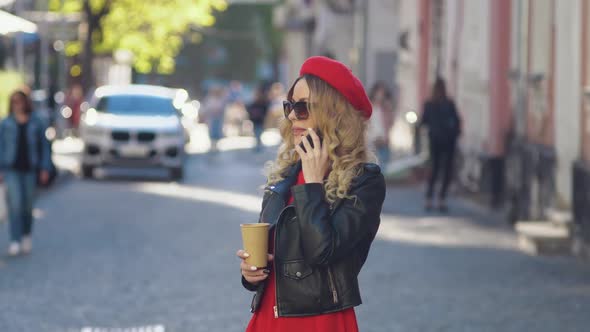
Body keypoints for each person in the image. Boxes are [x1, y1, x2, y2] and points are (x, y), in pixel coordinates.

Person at [237, 56, 386, 332]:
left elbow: (322, 253)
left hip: (321, 322)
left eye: (303, 107)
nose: (293, 115)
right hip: (269, 320)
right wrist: (251, 274)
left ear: (334, 113)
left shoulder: (364, 181)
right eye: (290, 106)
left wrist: (313, 184)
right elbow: (270, 260)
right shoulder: (284, 176)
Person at [0, 90, 52, 256]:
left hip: (30, 169)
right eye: (14, 101)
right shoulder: (6, 123)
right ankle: (15, 240)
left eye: (20, 101)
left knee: (27, 206)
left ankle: (26, 235)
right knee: (15, 205)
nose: (17, 105)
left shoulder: (37, 122)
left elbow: (45, 146)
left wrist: (45, 167)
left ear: (25, 103)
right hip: (11, 169)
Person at [420, 78, 461, 212]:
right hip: (449, 142)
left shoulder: (429, 104)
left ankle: (429, 198)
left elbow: (423, 121)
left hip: (435, 141)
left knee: (435, 169)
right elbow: (457, 121)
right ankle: (441, 199)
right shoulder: (449, 104)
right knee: (446, 171)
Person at [368, 81, 395, 171]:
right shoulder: (369, 106)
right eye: (379, 93)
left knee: (383, 168)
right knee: (371, 166)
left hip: (383, 140)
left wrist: (389, 108)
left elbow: (390, 124)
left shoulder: (386, 108)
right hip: (371, 141)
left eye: (382, 94)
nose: (380, 96)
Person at [201, 86, 227, 152]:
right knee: (211, 132)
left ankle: (216, 145)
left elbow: (223, 108)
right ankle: (212, 145)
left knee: (217, 131)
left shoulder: (221, 99)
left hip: (218, 118)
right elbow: (206, 108)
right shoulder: (209, 99)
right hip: (211, 118)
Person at [246, 86, 270, 152]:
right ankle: (258, 146)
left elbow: (265, 111)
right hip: (255, 121)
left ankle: (259, 146)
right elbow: (249, 110)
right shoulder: (253, 104)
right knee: (256, 134)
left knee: (258, 134)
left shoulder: (263, 103)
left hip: (260, 121)